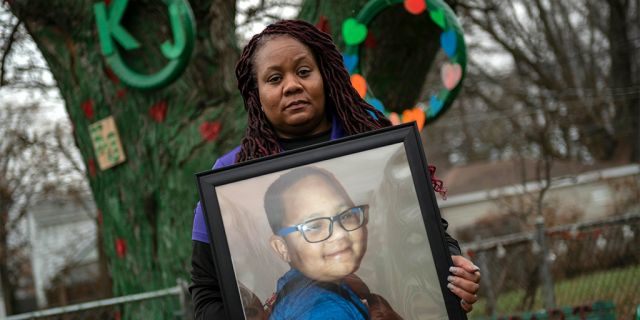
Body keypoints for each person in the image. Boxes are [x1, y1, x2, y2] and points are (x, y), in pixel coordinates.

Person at [189, 19, 481, 319]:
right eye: (274, 79)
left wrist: (456, 271)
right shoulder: (229, 177)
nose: (292, 86)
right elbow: (207, 292)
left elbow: (427, 237)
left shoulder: (378, 150)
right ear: (256, 94)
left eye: (304, 72)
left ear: (325, 76)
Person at [263, 166, 376, 319]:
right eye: (314, 226)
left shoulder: (298, 285)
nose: (339, 233)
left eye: (345, 216)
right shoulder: (327, 311)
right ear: (282, 248)